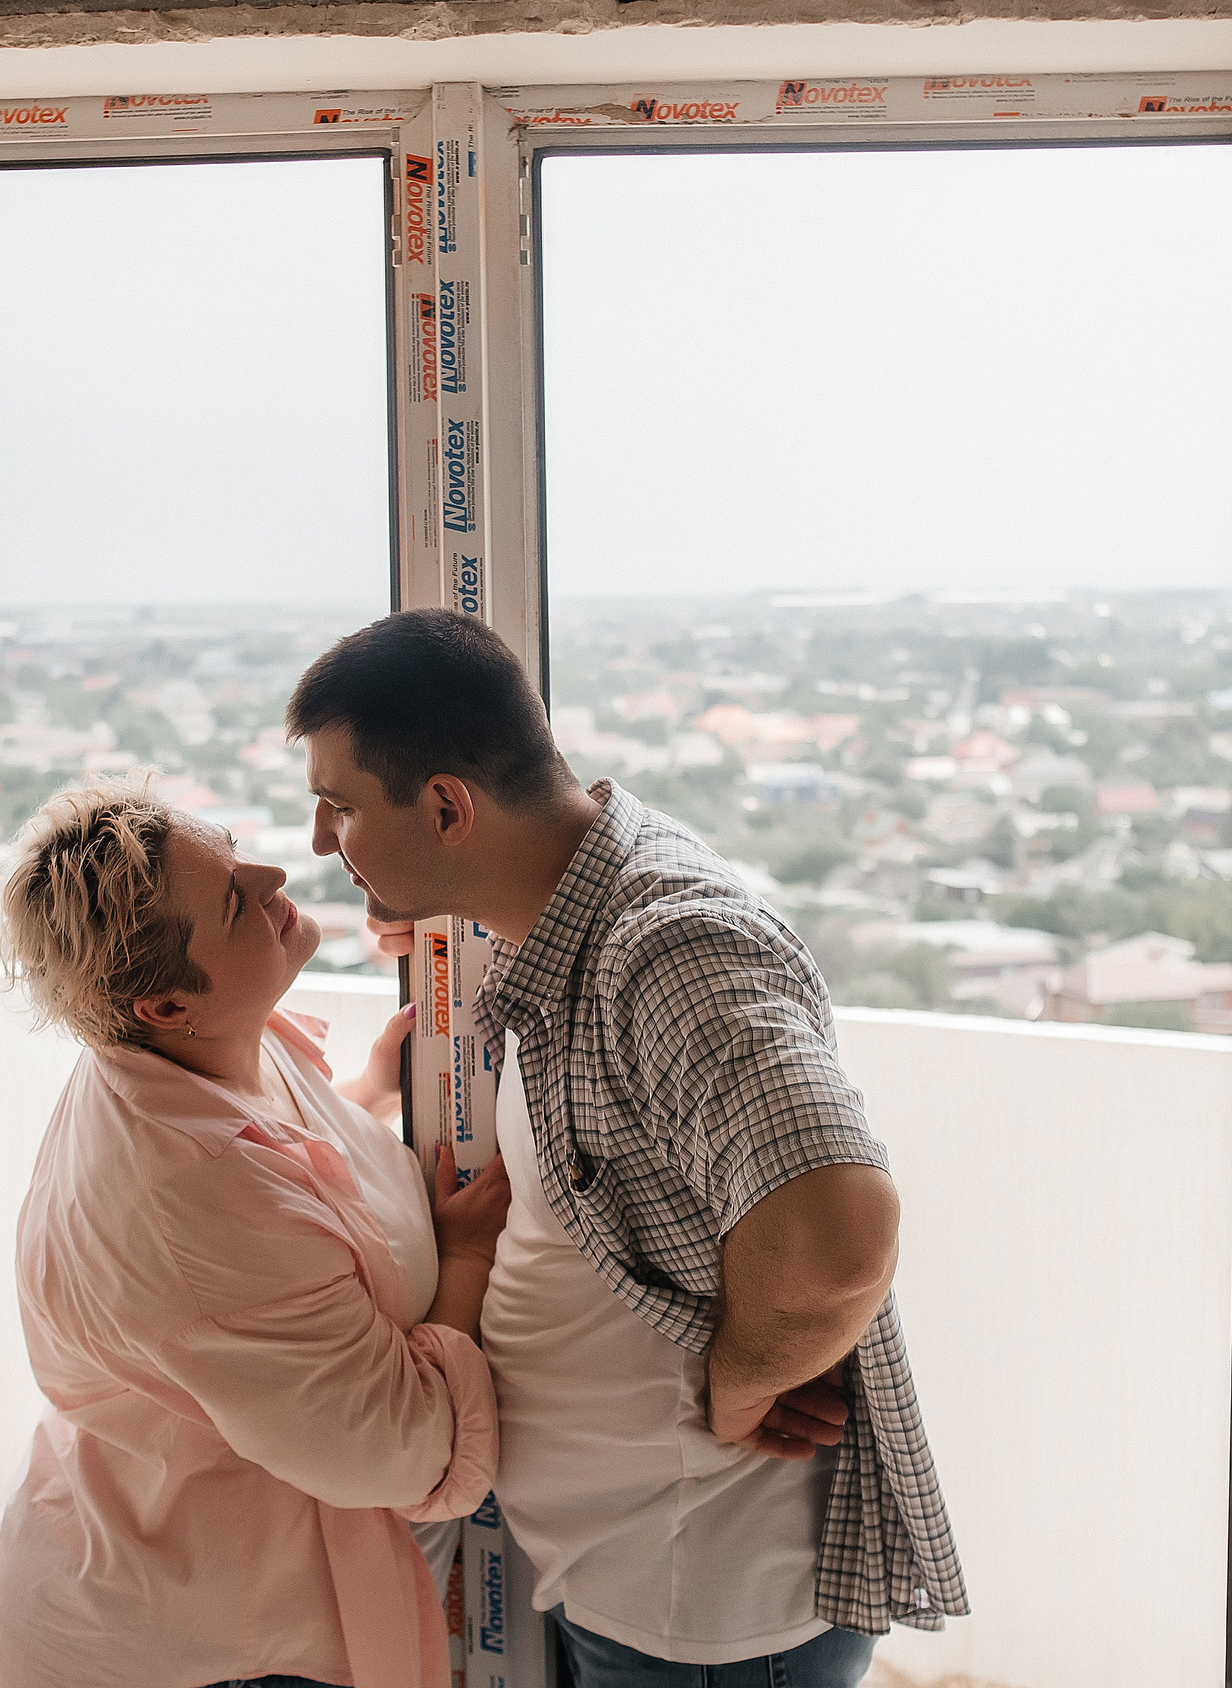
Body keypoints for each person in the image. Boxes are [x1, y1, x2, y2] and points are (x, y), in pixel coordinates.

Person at [286, 610, 967, 1688]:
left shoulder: (667, 946)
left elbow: (837, 1234)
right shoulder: (571, 907)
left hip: (702, 1607)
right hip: (637, 1577)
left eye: (340, 806)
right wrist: (424, 897)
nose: (322, 842)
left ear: (449, 805)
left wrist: (743, 1380)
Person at [0, 779, 511, 1688]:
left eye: (231, 845)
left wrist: (370, 1091)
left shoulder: (198, 1045)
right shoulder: (189, 1208)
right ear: (168, 1004)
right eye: (232, 898)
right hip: (186, 1643)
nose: (273, 871)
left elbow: (290, 1171)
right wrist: (468, 1257)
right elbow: (412, 1448)